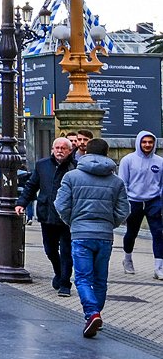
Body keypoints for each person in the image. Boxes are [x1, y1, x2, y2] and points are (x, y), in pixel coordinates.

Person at [55, 137, 131, 338]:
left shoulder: (71, 177)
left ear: (86, 152)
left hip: (80, 233)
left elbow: (61, 205)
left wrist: (73, 222)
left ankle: (92, 313)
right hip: (105, 235)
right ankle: (96, 314)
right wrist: (110, 223)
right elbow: (124, 209)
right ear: (107, 153)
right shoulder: (116, 181)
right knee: (100, 278)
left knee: (82, 278)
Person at [19, 136, 76, 294]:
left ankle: (65, 283)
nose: (59, 151)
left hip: (67, 217)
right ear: (52, 149)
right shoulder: (42, 165)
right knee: (50, 249)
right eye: (57, 148)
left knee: (67, 251)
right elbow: (31, 186)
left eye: (63, 148)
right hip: (47, 214)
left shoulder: (75, 167)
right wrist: (21, 203)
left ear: (70, 151)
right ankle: (59, 272)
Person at [117, 130, 163, 279]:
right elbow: (122, 182)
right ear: (139, 143)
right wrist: (125, 201)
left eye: (150, 142)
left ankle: (159, 267)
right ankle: (127, 259)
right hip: (134, 201)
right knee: (132, 233)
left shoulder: (160, 161)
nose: (147, 145)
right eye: (144, 142)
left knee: (158, 233)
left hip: (153, 201)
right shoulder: (128, 160)